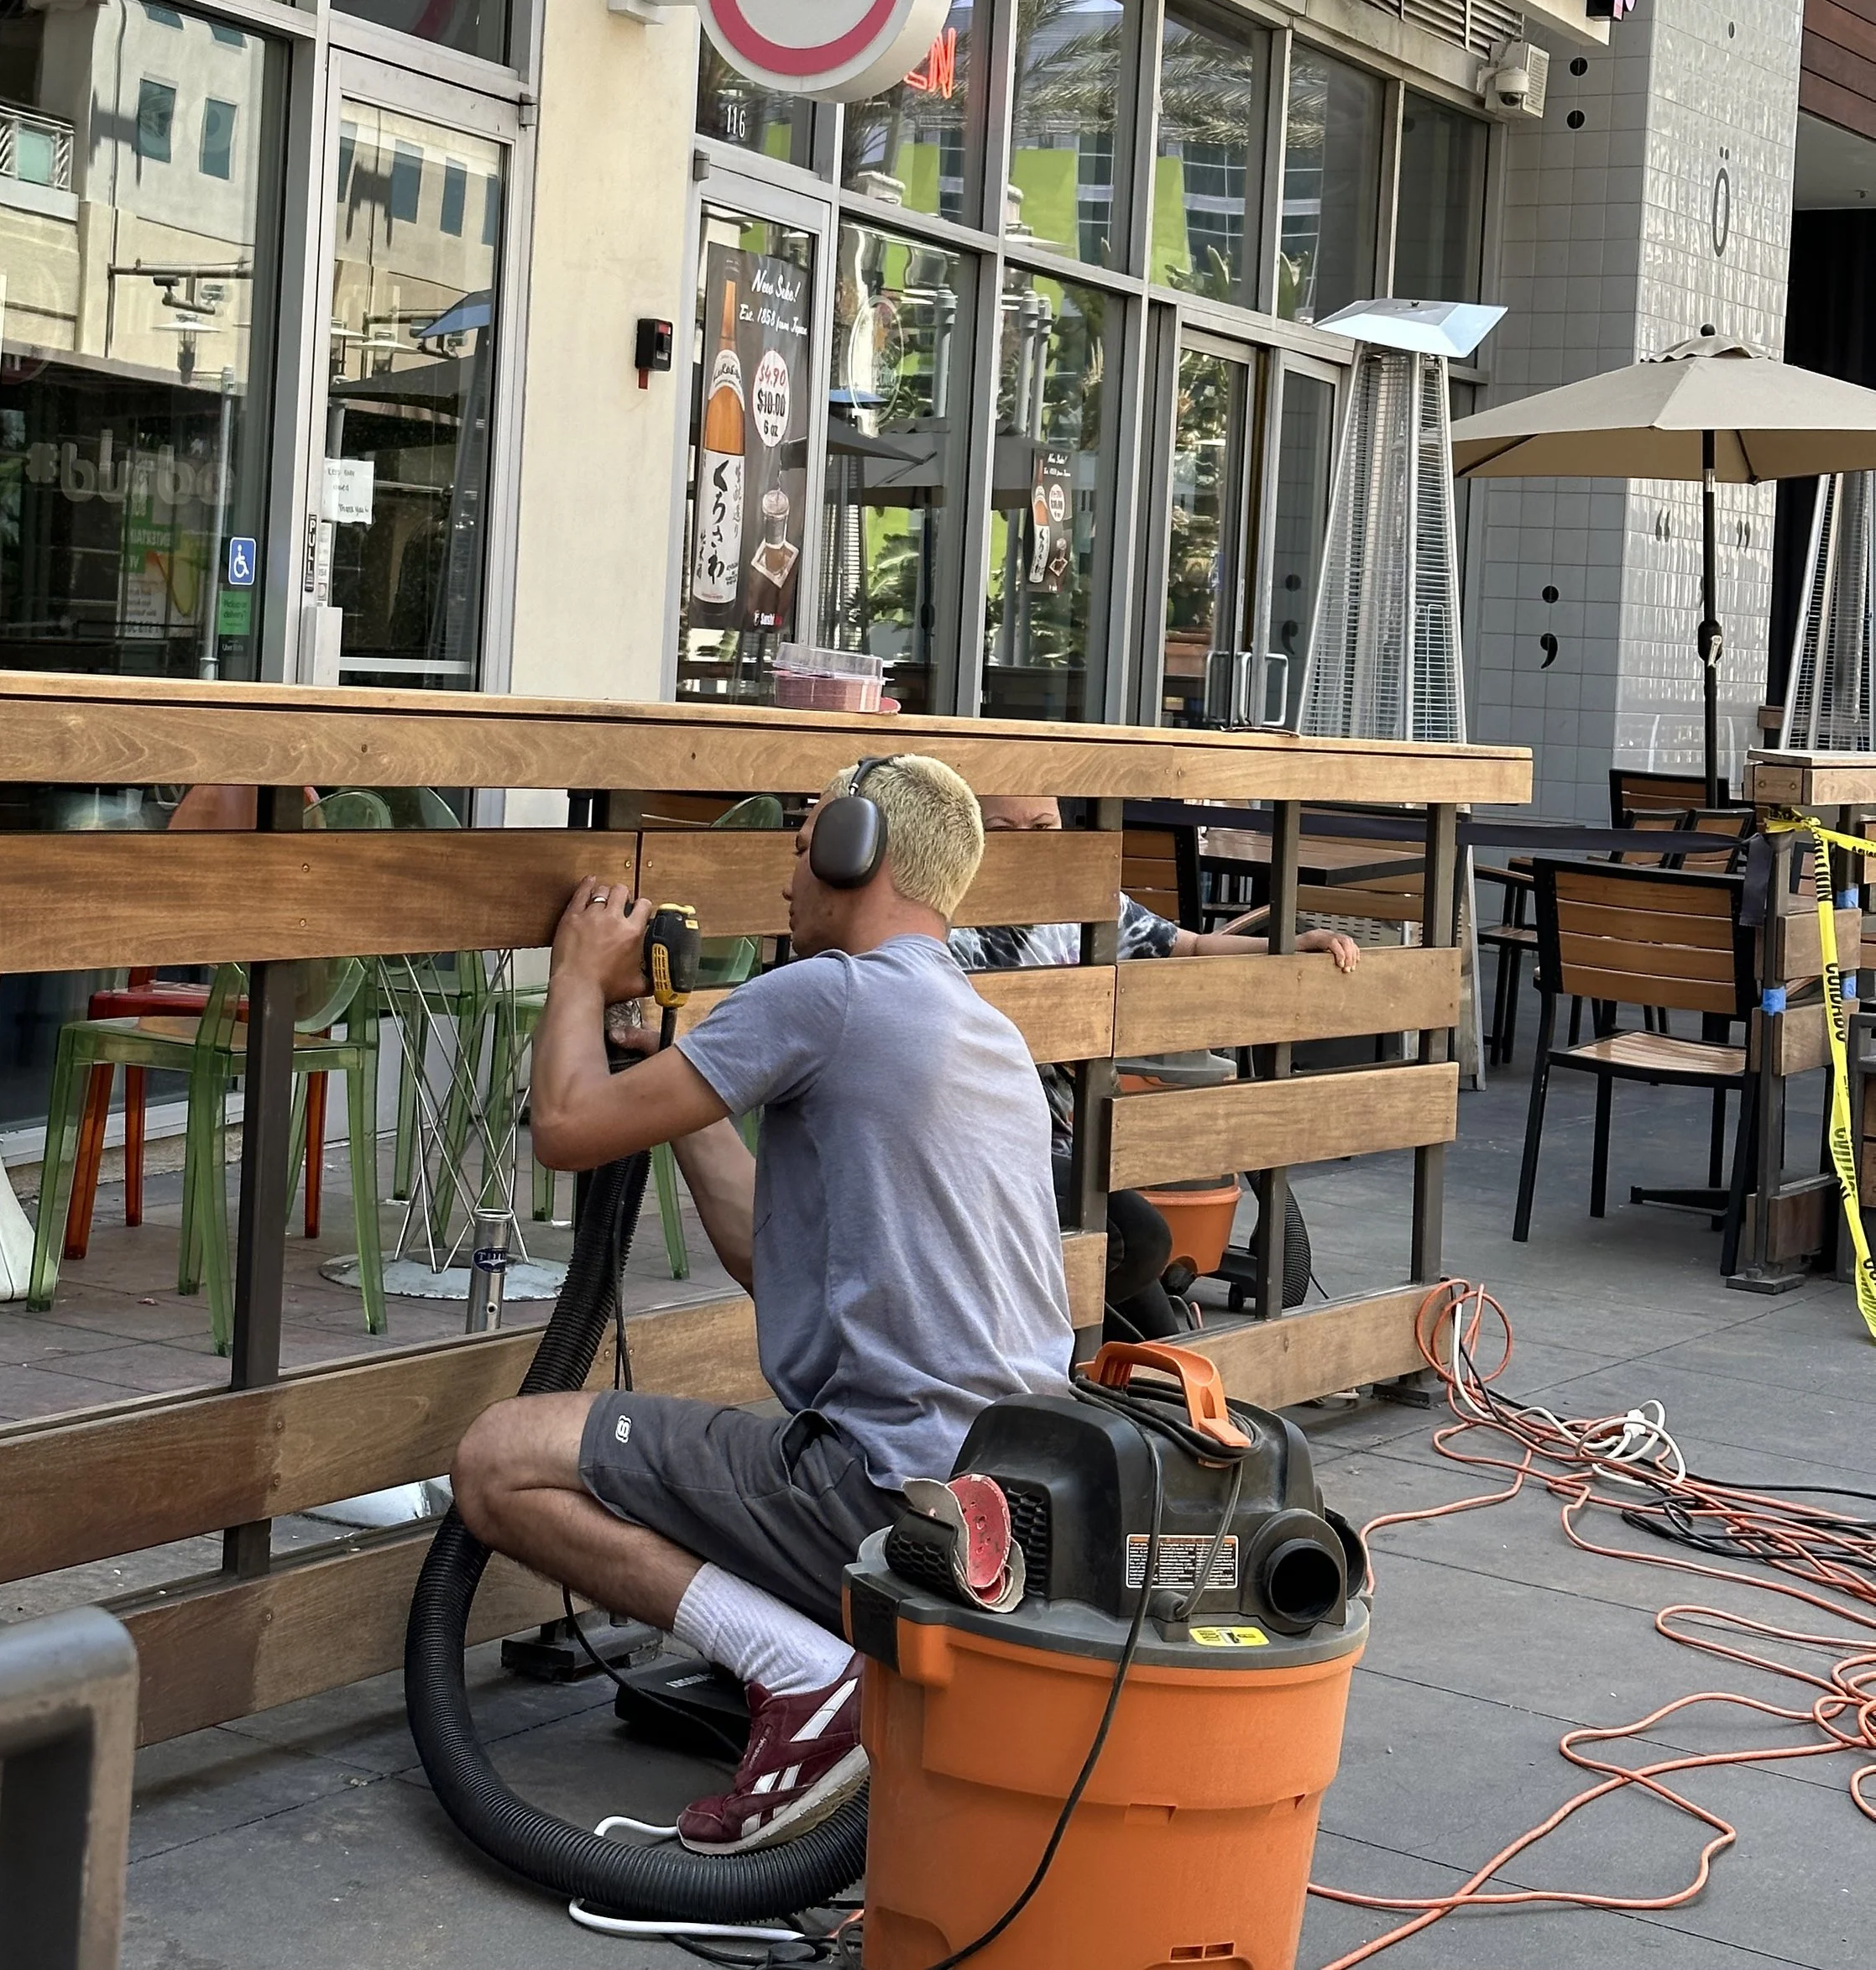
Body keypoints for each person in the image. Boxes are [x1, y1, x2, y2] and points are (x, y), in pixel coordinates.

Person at [452, 756, 1073, 1858]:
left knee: (501, 1459)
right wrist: (689, 1085)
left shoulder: (827, 994)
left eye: (803, 844)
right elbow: (765, 1253)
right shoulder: (980, 1028)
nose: (788, 870)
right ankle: (819, 1664)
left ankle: (809, 1679)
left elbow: (561, 1122)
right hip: (999, 1502)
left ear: (857, 849)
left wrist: (580, 976)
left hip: (882, 1486)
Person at [948, 797, 1360, 1335]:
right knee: (1138, 1242)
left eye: (1044, 825)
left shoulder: (1083, 895)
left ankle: (1097, 1370)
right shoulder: (952, 922)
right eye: (1003, 829)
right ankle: (1040, 1355)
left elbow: (1185, 947)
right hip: (993, 1150)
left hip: (1071, 1145)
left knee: (1150, 1324)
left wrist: (1289, 946)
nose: (1029, 841)